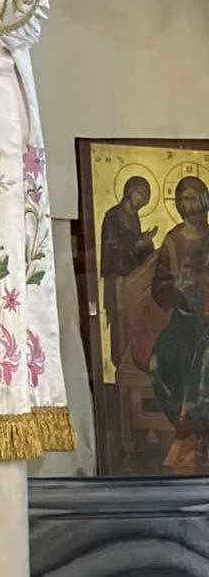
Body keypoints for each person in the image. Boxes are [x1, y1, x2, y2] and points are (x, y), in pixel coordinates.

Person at [149, 176, 209, 471]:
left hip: (207, 321)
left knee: (200, 363)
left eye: (194, 198)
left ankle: (195, 437)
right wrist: (177, 288)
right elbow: (158, 285)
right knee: (157, 361)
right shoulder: (172, 240)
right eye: (184, 199)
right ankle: (182, 428)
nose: (190, 204)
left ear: (205, 201)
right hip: (183, 319)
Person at [100, 175, 158, 365]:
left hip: (133, 281)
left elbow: (135, 251)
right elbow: (112, 253)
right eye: (140, 194)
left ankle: (134, 361)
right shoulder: (112, 217)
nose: (141, 201)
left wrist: (147, 245)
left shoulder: (133, 218)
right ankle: (121, 361)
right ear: (129, 192)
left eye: (145, 198)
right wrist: (139, 244)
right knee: (121, 323)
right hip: (118, 280)